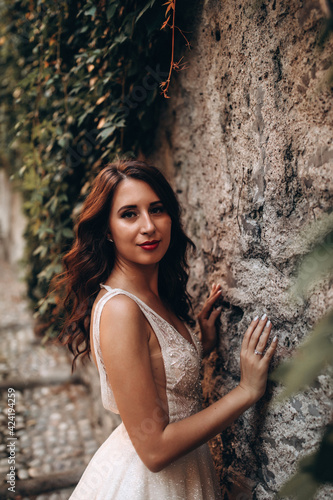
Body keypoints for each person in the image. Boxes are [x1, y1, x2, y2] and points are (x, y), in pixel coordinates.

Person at [56, 158, 278, 499]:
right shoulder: (120, 309)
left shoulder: (149, 295)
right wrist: (246, 392)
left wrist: (198, 343)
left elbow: (158, 378)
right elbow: (154, 450)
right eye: (129, 214)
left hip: (189, 473)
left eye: (156, 209)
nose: (148, 226)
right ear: (106, 230)